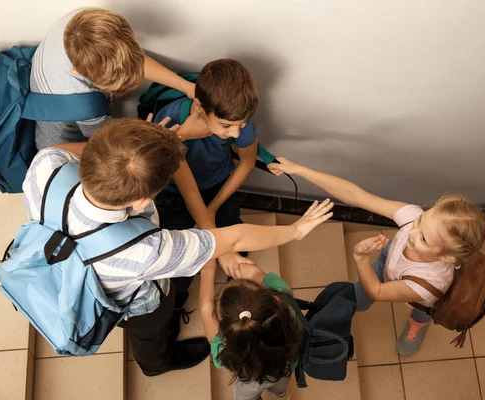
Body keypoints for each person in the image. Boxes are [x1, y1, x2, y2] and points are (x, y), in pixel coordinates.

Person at [21, 118, 334, 376]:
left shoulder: (45, 168)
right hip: (135, 302)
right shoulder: (146, 250)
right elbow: (234, 239)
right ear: (144, 200)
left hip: (52, 263)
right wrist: (295, 230)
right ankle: (158, 363)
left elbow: (70, 152)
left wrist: (140, 147)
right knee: (151, 334)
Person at [268, 158, 485, 356]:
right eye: (421, 221)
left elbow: (378, 291)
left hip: (418, 298)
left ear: (447, 257)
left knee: (421, 310)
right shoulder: (413, 217)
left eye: (424, 239)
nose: (411, 231)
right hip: (387, 262)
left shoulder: (428, 283)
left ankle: (418, 323)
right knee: (359, 301)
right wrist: (299, 169)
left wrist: (360, 258)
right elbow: (357, 196)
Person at [31, 8, 196, 150]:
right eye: (110, 85)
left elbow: (129, 58)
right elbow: (111, 144)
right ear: (78, 72)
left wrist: (187, 86)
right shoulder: (86, 107)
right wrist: (177, 135)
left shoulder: (79, 28)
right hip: (63, 151)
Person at [153, 59, 258, 238]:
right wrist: (181, 136)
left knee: (237, 247)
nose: (235, 133)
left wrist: (213, 208)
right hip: (173, 192)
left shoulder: (239, 118)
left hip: (217, 184)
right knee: (178, 247)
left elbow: (247, 162)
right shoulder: (171, 119)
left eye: (242, 125)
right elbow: (187, 189)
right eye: (226, 126)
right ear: (199, 107)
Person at [200, 261, 300, 400]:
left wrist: (208, 266)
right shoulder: (289, 308)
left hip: (250, 380)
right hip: (285, 366)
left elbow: (205, 308)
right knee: (281, 385)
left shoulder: (222, 349)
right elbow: (255, 272)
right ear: (276, 299)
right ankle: (282, 394)